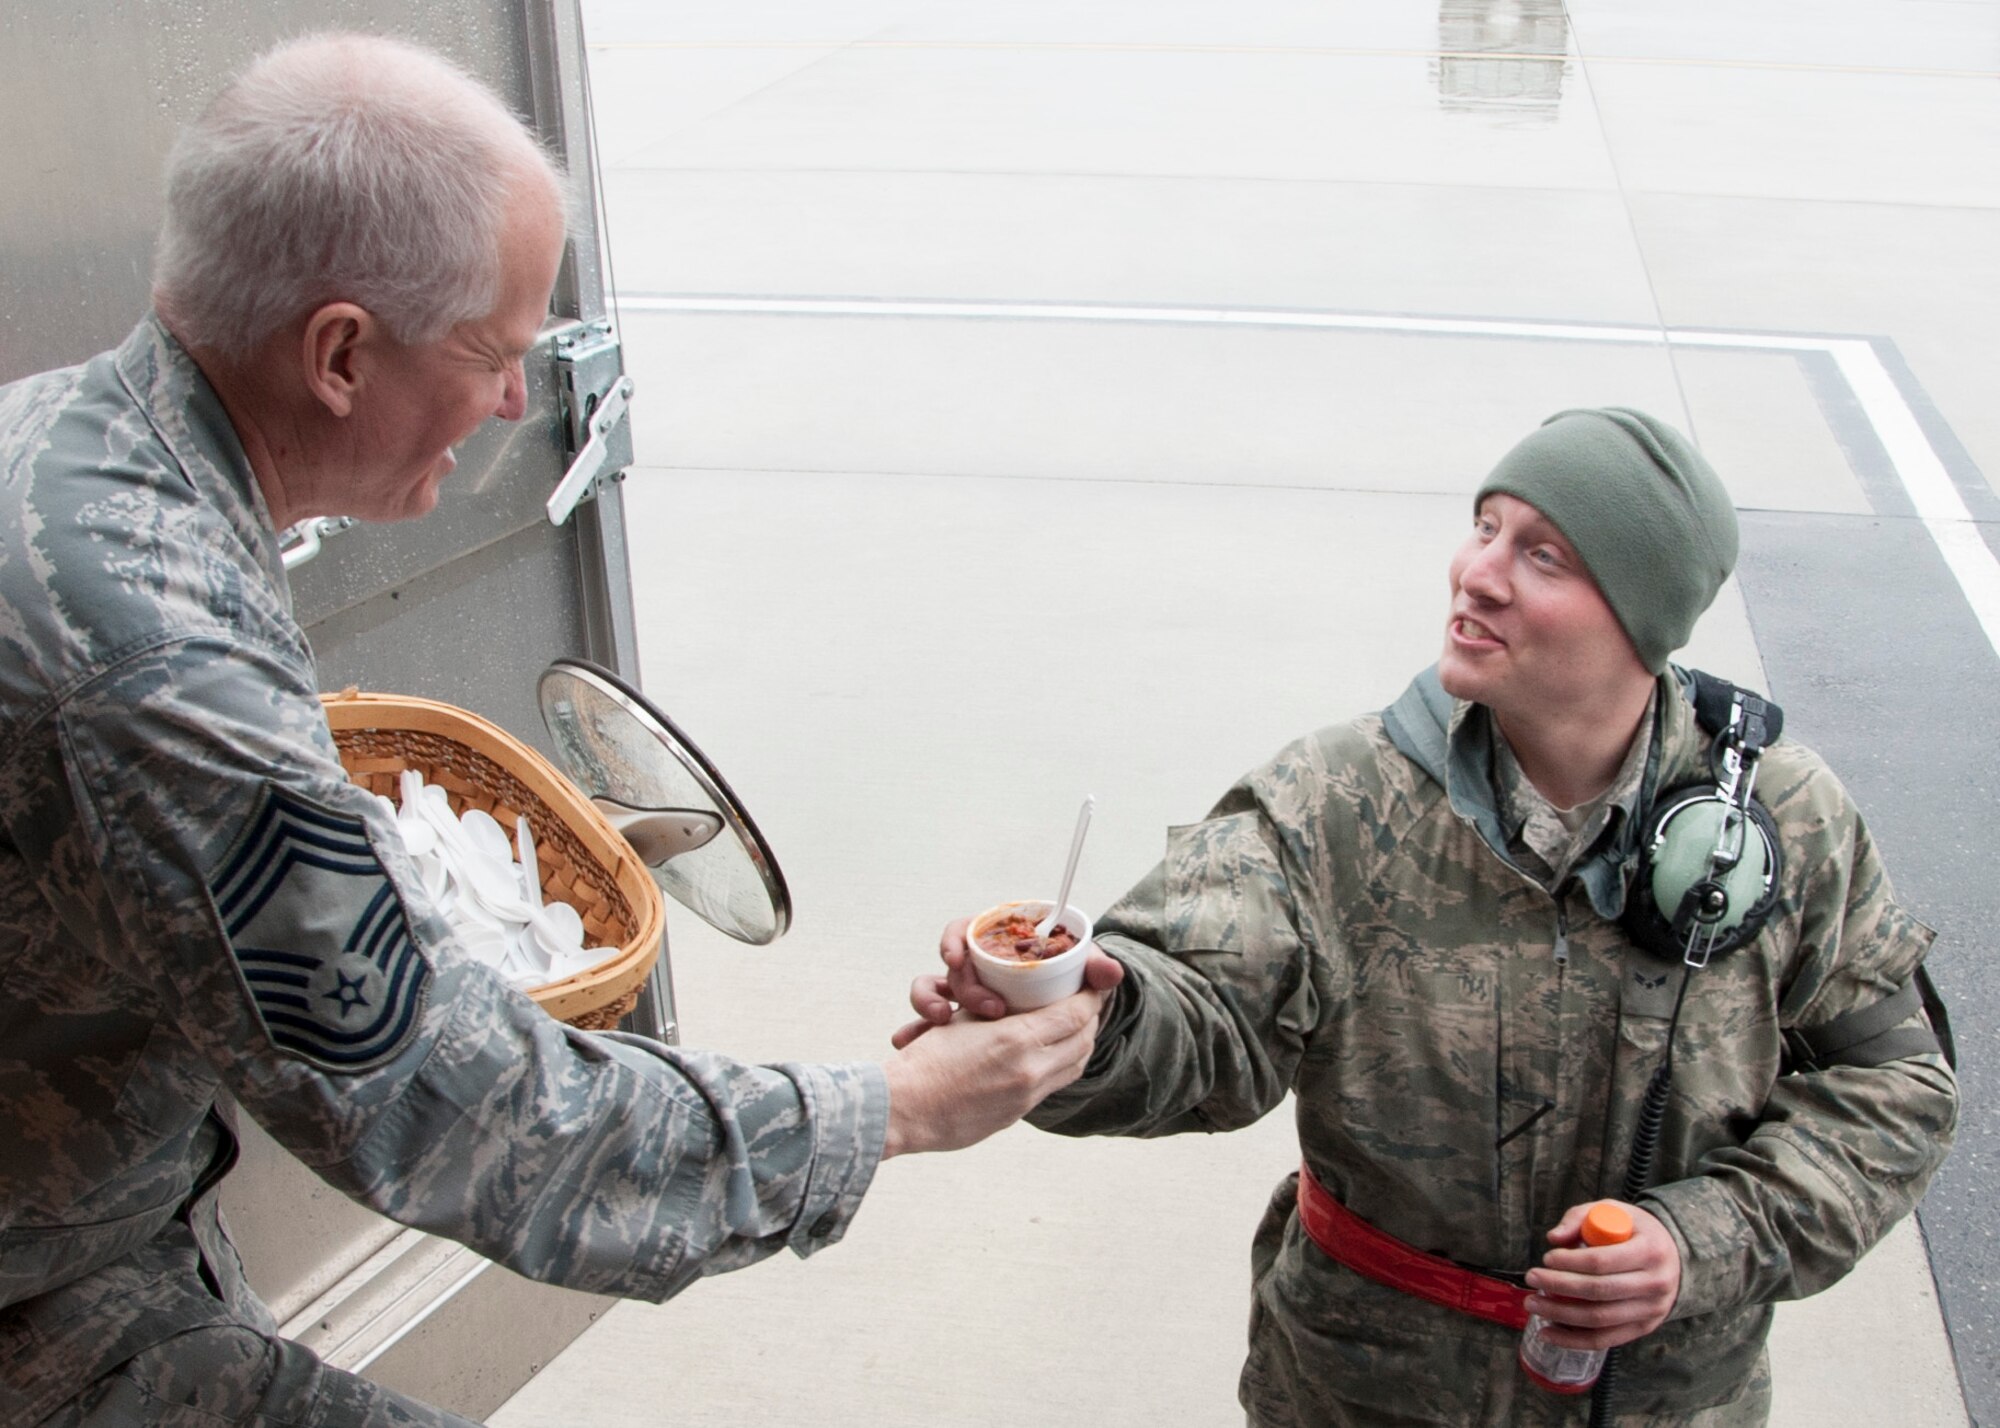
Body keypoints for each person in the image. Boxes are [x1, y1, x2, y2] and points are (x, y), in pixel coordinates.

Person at [0, 34, 1106, 1427]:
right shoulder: (156, 664)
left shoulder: (76, 455)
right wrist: (897, 1107)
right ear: (338, 354)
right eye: (491, 356)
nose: (519, 403)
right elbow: (452, 1111)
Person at [903, 407, 1958, 1425]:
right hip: (1362, 1394)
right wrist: (1078, 1016)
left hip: (1664, 1407)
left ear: (1641, 616)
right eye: (1485, 527)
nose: (1476, 572)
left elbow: (1891, 1085)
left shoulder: (1778, 819)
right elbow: (1200, 1005)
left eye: (1543, 555)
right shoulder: (1335, 801)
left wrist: (1704, 1242)